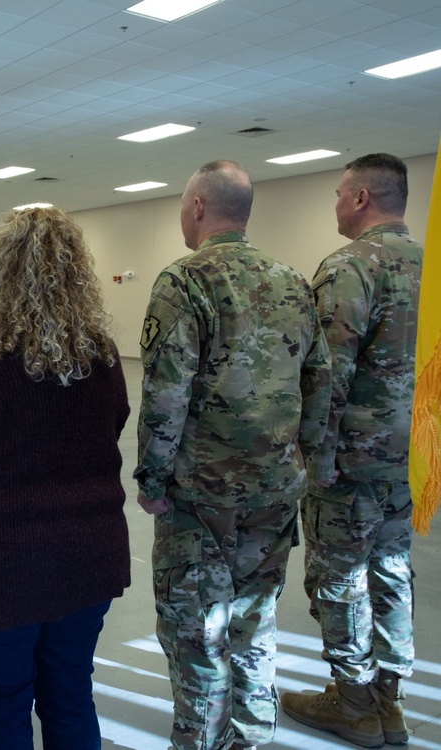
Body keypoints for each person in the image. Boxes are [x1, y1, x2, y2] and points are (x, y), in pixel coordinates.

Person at [134, 160, 332, 750]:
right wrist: (309, 458)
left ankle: (199, 740)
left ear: (197, 207)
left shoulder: (185, 280)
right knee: (253, 617)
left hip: (201, 493)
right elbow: (320, 377)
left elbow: (166, 391)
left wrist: (151, 476)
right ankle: (250, 735)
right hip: (276, 488)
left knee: (196, 628)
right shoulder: (292, 279)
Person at [0, 207, 130, 750]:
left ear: (1, 271)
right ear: (78, 272)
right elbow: (114, 426)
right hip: (86, 555)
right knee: (70, 696)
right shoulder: (102, 354)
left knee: (3, 706)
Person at [281, 154, 423, 748]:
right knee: (393, 573)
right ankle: (389, 701)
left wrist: (314, 456)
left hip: (352, 461)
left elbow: (327, 375)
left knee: (340, 577)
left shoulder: (349, 267)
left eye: (340, 193)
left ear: (361, 197)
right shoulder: (431, 265)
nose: (337, 204)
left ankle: (355, 702)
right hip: (413, 458)